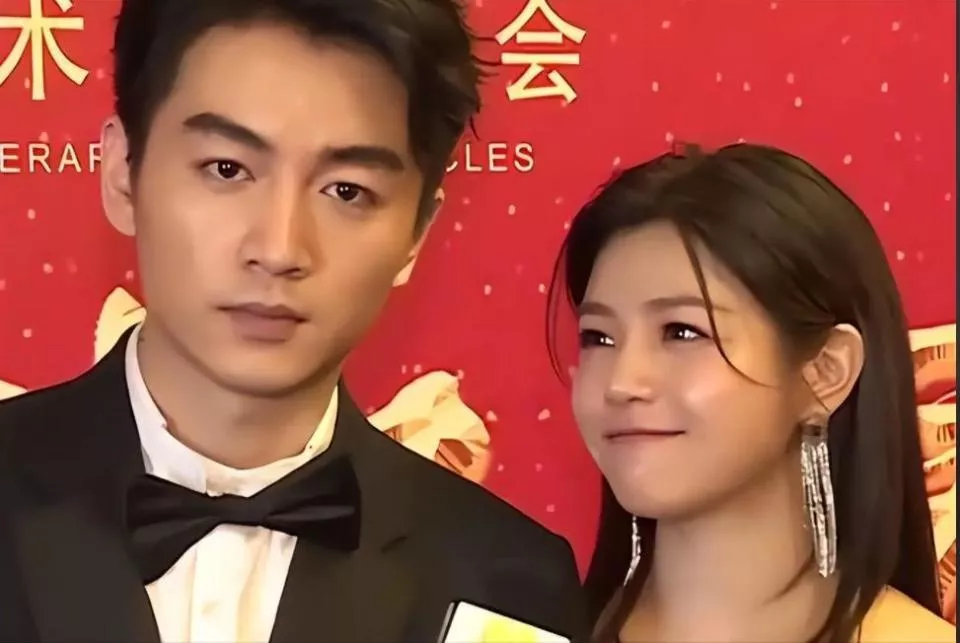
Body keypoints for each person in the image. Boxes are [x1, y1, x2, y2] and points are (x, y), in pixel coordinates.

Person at [0, 1, 585, 641]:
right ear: (122, 173)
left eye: (347, 191)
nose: (279, 248)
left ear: (418, 233)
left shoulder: (506, 582)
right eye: (227, 169)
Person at [547, 142, 956, 642]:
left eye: (681, 332)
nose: (621, 383)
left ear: (824, 372)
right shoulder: (523, 629)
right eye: (599, 338)